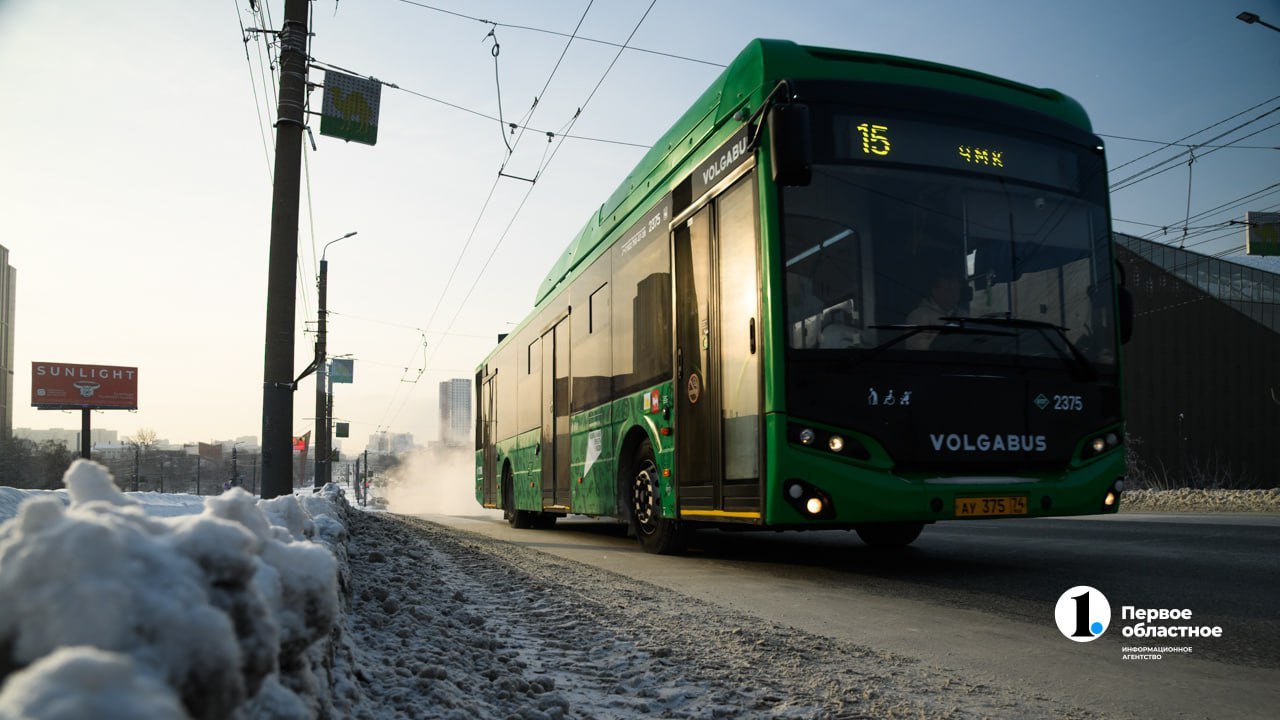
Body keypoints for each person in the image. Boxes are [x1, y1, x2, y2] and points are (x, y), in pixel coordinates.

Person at [905, 268, 966, 350]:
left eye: (956, 289)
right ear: (934, 291)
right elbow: (916, 353)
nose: (953, 294)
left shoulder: (964, 315)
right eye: (948, 290)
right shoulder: (919, 317)